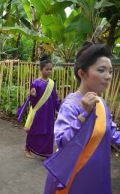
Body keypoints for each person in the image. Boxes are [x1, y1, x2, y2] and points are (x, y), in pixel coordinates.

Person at [43, 44, 120, 194]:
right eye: (101, 70)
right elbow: (62, 141)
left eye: (110, 71)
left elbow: (112, 132)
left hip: (98, 175)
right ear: (82, 73)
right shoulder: (71, 105)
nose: (108, 76)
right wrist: (84, 115)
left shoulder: (102, 104)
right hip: (74, 177)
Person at [17, 54, 60, 159]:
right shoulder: (36, 83)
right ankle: (28, 148)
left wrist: (60, 109)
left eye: (50, 69)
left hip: (49, 112)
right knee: (35, 130)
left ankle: (47, 153)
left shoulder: (52, 83)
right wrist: (32, 95)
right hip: (39, 111)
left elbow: (54, 99)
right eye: (47, 69)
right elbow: (32, 101)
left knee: (49, 132)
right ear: (41, 69)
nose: (49, 71)